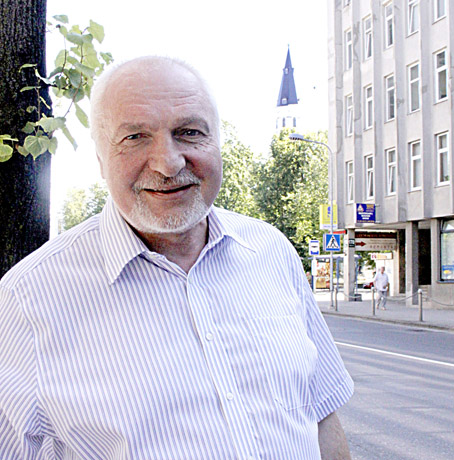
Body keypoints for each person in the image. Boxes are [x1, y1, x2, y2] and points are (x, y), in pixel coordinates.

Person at [0, 56, 354, 460]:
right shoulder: (27, 300)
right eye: (135, 137)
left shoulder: (271, 252)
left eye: (189, 132)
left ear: (217, 143)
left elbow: (322, 416)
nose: (168, 163)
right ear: (99, 158)